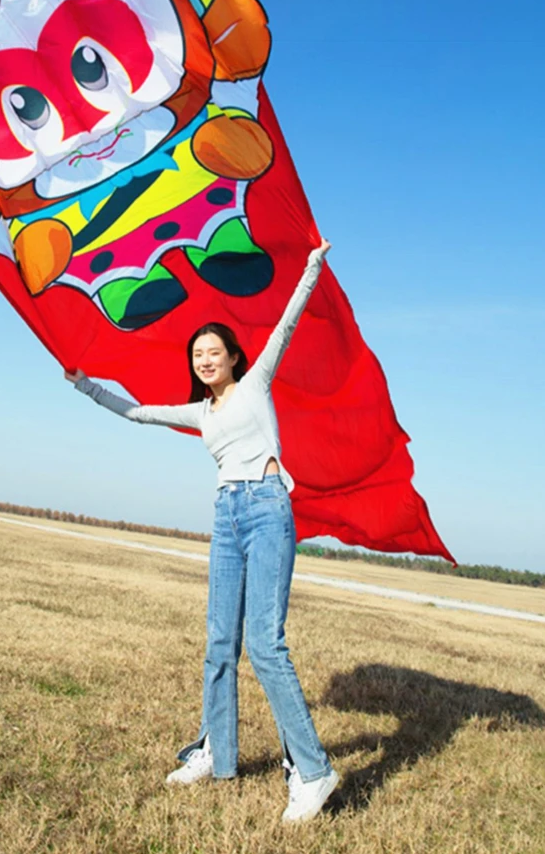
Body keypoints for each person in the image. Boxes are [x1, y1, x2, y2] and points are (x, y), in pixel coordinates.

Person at [65, 240, 338, 824]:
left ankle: (313, 772)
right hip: (225, 515)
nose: (205, 360)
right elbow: (138, 412)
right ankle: (216, 752)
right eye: (198, 355)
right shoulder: (201, 413)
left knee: (265, 646)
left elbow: (288, 322)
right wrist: (85, 384)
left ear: (234, 357)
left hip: (267, 509)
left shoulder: (256, 383)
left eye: (213, 352)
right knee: (219, 644)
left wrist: (312, 264)